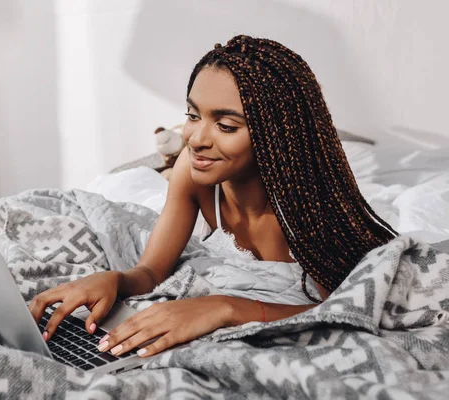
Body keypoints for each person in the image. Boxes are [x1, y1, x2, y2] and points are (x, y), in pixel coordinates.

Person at [28, 35, 397, 359]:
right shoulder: (191, 171)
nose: (196, 138)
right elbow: (152, 271)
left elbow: (341, 310)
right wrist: (115, 280)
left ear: (274, 137)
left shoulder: (309, 210)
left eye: (226, 125)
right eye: (192, 115)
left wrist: (223, 307)